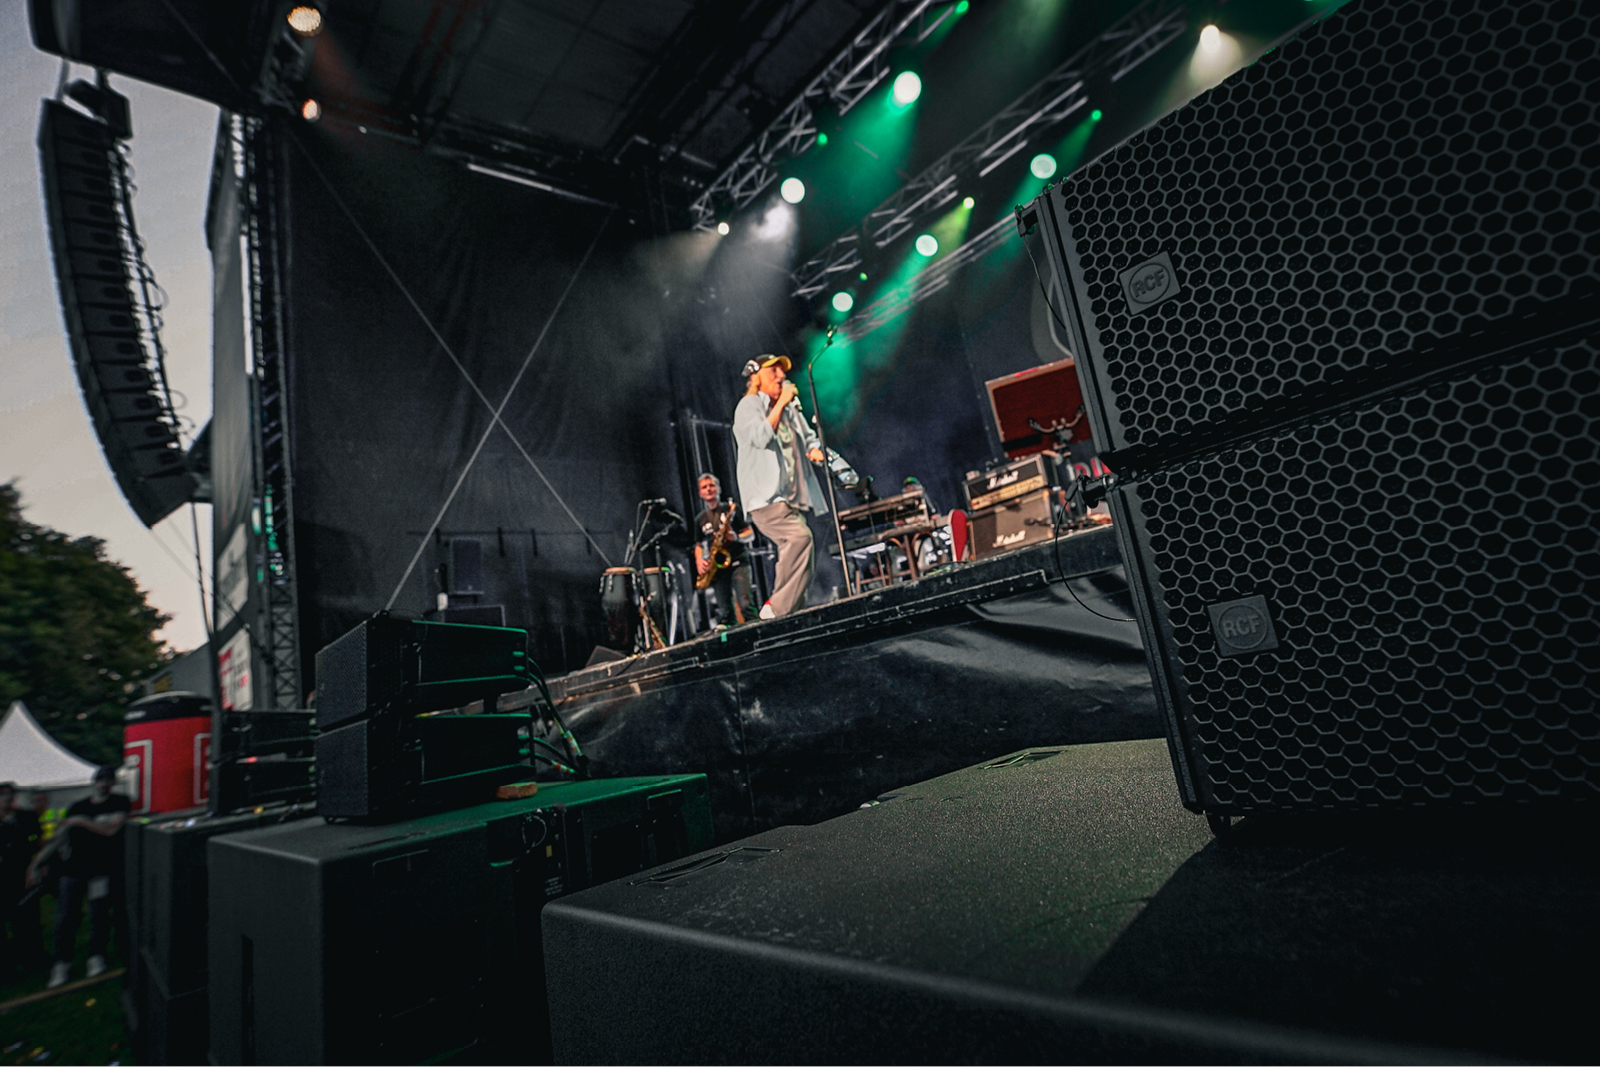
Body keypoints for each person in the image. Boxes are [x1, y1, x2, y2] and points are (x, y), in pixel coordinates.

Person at [733, 354, 828, 619]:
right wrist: (783, 401)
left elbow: (808, 437)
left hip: (789, 497)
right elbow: (761, 437)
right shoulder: (748, 406)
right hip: (765, 499)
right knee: (800, 539)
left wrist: (814, 449)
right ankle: (777, 609)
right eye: (773, 371)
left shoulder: (789, 409)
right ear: (756, 377)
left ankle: (789, 614)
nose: (781, 376)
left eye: (781, 371)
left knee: (796, 550)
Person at [31, 765, 129, 988]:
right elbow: (60, 837)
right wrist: (37, 863)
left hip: (101, 870)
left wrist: (80, 822)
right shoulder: (78, 806)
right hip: (73, 870)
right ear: (94, 782)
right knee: (66, 917)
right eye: (100, 779)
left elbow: (111, 830)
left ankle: (96, 956)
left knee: (98, 915)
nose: (103, 784)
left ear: (113, 783)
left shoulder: (119, 802)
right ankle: (62, 963)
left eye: (108, 780)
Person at [692, 473, 755, 627]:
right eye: (704, 487)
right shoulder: (700, 519)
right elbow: (698, 544)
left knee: (746, 605)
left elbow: (750, 533)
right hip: (718, 567)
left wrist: (736, 537)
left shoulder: (731, 509)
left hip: (738, 560)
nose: (708, 489)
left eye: (711, 485)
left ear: (719, 489)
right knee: (725, 613)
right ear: (700, 493)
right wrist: (699, 560)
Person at [0, 782, 47, 978]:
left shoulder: (26, 817)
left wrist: (38, 865)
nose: (6, 798)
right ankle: (6, 969)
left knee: (27, 919)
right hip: (2, 878)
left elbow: (40, 842)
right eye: (2, 794)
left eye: (9, 794)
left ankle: (33, 961)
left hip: (24, 873)